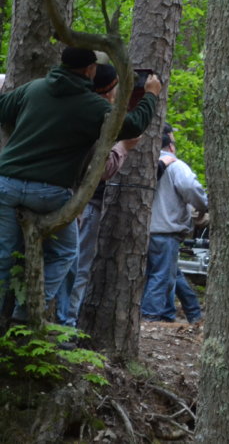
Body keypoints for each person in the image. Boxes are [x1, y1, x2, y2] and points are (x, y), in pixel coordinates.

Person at [0, 47, 160, 319]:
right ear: (89, 70)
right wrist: (151, 96)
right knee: (64, 254)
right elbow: (133, 126)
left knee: (3, 255)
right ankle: (26, 313)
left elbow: (3, 109)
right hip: (49, 190)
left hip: (6, 183)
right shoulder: (93, 106)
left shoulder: (34, 89)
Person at [55, 63, 140, 327]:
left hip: (74, 200)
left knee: (69, 265)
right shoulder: (96, 114)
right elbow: (100, 167)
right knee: (74, 266)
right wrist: (124, 146)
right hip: (83, 202)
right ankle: (64, 326)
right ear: (108, 90)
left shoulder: (70, 106)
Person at [141, 123, 208, 323]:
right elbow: (189, 186)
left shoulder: (142, 163)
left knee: (169, 274)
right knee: (161, 276)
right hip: (165, 229)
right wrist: (204, 204)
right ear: (169, 144)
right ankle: (150, 316)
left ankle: (184, 314)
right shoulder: (175, 165)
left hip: (144, 230)